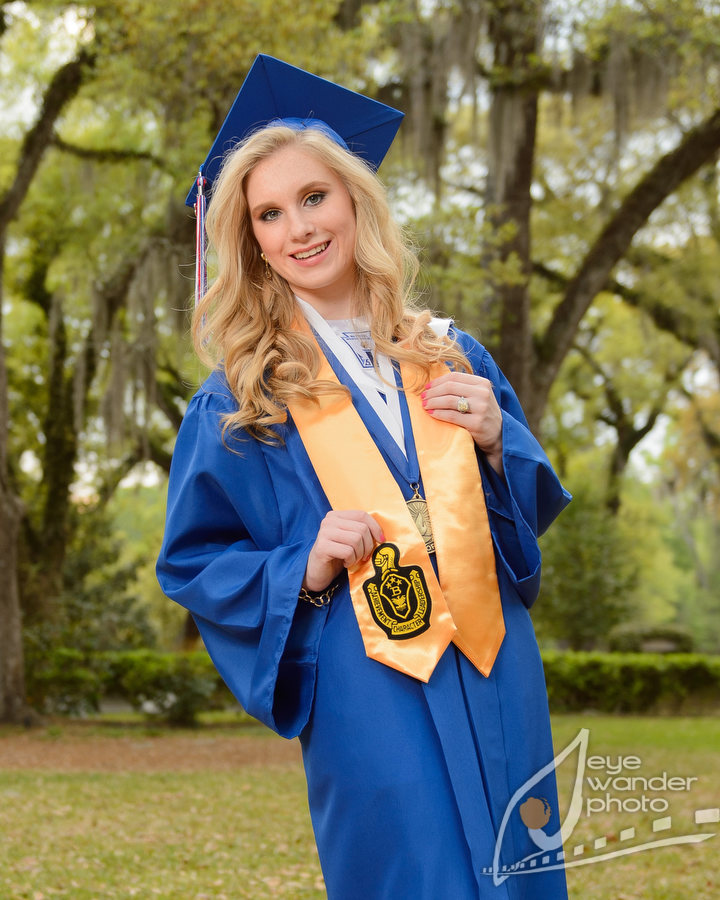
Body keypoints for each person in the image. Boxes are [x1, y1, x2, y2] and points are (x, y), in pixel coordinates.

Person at [157, 55, 571, 900]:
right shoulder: (241, 401)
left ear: (354, 200)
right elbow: (194, 562)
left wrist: (500, 442)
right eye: (269, 214)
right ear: (252, 240)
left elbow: (521, 527)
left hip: (495, 667)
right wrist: (300, 563)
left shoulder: (449, 351)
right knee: (415, 875)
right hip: (368, 680)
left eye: (313, 197)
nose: (298, 228)